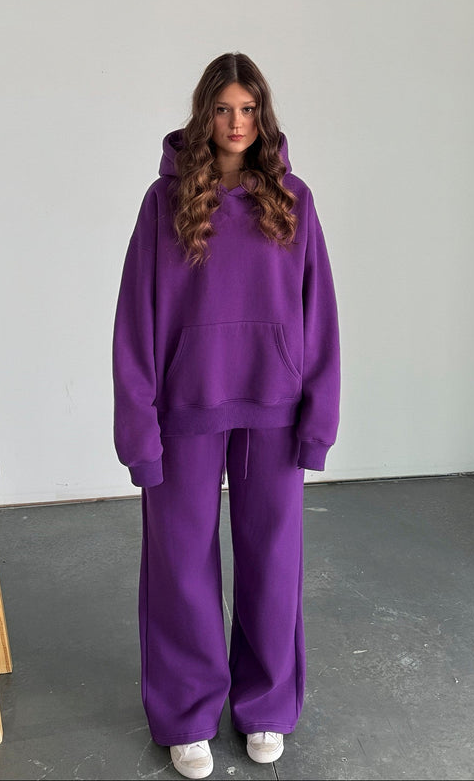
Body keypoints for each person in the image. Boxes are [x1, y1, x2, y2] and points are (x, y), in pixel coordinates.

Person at [112, 52, 340, 780]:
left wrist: (318, 420)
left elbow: (321, 316)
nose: (237, 123)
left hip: (274, 411)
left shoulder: (293, 200)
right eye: (223, 109)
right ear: (203, 114)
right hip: (184, 410)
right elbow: (134, 321)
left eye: (248, 109)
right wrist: (137, 430)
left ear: (262, 115)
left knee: (273, 565)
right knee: (179, 569)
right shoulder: (164, 201)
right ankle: (185, 714)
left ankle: (266, 705)